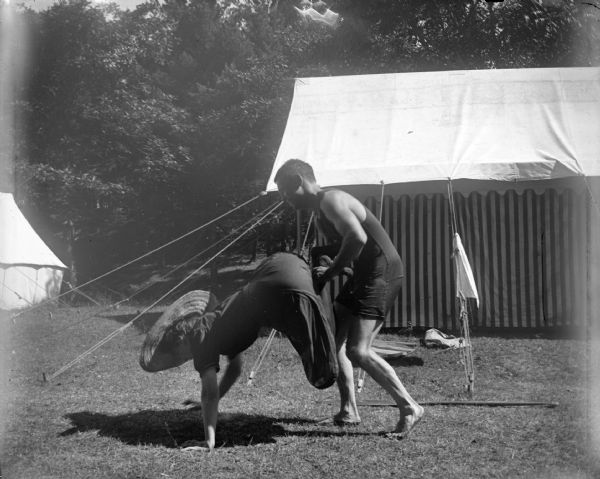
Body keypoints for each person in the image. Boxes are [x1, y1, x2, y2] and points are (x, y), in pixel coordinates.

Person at [274, 158, 424, 438]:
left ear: (298, 181)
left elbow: (357, 238)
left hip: (382, 273)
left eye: (285, 191)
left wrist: (329, 272)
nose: (285, 199)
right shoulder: (320, 212)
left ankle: (410, 407)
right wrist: (327, 265)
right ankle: (349, 411)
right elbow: (350, 250)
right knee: (334, 341)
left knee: (359, 350)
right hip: (363, 275)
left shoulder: (332, 200)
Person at [181, 252, 337, 450]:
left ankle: (327, 368)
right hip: (285, 274)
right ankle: (319, 280)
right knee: (326, 340)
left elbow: (209, 392)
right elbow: (235, 369)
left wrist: (208, 441)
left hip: (269, 292)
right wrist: (209, 403)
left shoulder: (199, 334)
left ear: (182, 338)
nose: (186, 359)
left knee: (323, 360)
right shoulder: (220, 323)